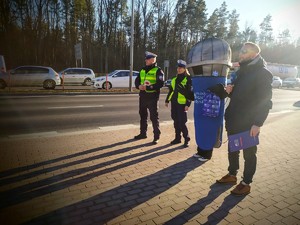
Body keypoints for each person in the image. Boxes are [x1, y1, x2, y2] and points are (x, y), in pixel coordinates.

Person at [216, 42, 273, 196]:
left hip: (249, 122)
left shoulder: (263, 73)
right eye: (240, 50)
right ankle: (232, 175)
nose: (240, 54)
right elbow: (239, 95)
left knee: (249, 153)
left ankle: (246, 183)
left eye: (244, 51)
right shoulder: (242, 71)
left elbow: (265, 102)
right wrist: (229, 91)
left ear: (254, 54)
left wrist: (257, 123)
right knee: (233, 149)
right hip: (234, 119)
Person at [134, 51, 164, 144]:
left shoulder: (158, 70)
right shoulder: (142, 70)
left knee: (154, 117)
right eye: (146, 59)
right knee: (143, 116)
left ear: (152, 60)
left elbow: (160, 84)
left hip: (153, 97)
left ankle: (156, 136)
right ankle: (143, 133)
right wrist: (138, 86)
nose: (145, 60)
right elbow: (137, 81)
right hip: (143, 96)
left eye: (147, 59)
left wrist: (148, 87)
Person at [165, 60, 193, 148]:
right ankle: (177, 138)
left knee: (182, 122)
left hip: (182, 104)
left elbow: (190, 93)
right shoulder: (174, 79)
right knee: (176, 122)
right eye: (178, 68)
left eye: (181, 68)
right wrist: (167, 100)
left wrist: (187, 104)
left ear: (185, 69)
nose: (179, 69)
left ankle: (187, 139)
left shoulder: (188, 79)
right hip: (174, 103)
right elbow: (171, 91)